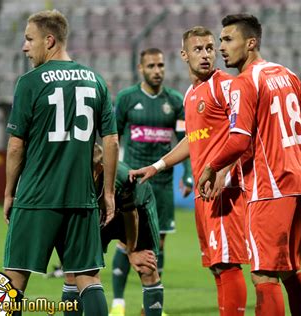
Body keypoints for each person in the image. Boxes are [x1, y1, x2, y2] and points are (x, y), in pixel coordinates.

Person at [198, 14, 301, 316]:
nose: (221, 47)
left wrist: (211, 167)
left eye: (228, 39)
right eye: (221, 40)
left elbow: (239, 141)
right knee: (289, 270)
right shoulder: (287, 74)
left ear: (251, 42)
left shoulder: (244, 83)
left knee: (263, 275)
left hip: (271, 188)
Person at [2, 9, 119, 316]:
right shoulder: (96, 81)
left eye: (29, 39)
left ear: (49, 40)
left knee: (15, 278)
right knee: (88, 278)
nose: (25, 47)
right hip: (81, 198)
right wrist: (107, 192)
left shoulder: (29, 82)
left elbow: (16, 147)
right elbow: (111, 140)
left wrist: (8, 193)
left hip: (36, 197)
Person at [130, 26, 249, 315]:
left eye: (210, 48)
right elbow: (191, 139)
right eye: (198, 49)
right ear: (184, 55)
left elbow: (244, 135)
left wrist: (224, 171)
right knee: (215, 265)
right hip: (203, 190)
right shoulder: (190, 93)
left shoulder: (226, 85)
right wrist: (158, 166)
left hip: (224, 189)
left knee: (228, 263)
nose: (206, 54)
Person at [112, 47, 193, 315]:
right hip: (132, 184)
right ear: (141, 69)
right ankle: (119, 302)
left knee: (158, 243)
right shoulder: (126, 98)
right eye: (151, 66)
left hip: (162, 183)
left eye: (160, 65)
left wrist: (189, 174)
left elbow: (187, 140)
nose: (157, 71)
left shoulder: (175, 101)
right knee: (126, 242)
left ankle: (152, 306)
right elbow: (112, 139)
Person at [62, 144, 163, 316]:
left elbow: (131, 216)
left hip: (137, 210)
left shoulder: (123, 178)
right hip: (98, 216)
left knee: (146, 267)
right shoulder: (68, 178)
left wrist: (131, 250)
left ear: (99, 168)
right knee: (74, 272)